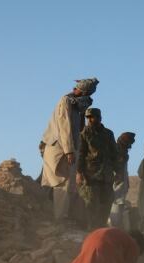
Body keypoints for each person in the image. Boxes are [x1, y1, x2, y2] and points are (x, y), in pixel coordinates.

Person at [40, 78, 99, 223]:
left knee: (69, 184)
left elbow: (78, 129)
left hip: (68, 148)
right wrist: (69, 151)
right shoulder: (66, 101)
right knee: (62, 184)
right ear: (84, 91)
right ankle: (59, 219)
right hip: (60, 149)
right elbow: (64, 127)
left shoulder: (76, 104)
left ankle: (59, 217)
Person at [76, 107, 121, 230]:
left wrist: (118, 171)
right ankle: (92, 230)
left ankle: (101, 228)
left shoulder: (108, 134)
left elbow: (114, 154)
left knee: (106, 203)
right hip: (91, 175)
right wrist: (79, 172)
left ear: (99, 118)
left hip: (106, 175)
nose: (90, 120)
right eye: (88, 117)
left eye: (92, 117)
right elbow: (81, 154)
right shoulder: (84, 133)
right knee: (91, 204)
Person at [109, 132, 135, 228]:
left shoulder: (121, 151)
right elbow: (117, 168)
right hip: (117, 183)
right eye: (129, 143)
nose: (130, 146)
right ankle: (114, 227)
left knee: (118, 204)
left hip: (120, 183)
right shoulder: (118, 151)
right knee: (116, 203)